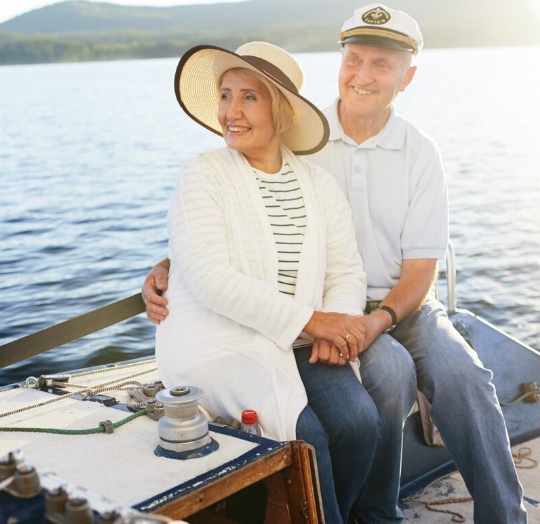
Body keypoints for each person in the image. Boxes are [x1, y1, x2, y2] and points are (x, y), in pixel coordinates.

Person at [145, 5, 528, 523]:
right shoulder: (305, 144)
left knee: (466, 379)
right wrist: (170, 264)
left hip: (400, 307)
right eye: (354, 60)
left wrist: (370, 322)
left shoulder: (420, 153)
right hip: (319, 313)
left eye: (381, 65)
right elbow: (231, 222)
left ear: (406, 77)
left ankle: (505, 517)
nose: (363, 76)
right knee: (388, 375)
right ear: (340, 63)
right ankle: (374, 511)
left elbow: (420, 270)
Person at [157, 41, 389, 523]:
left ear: (281, 111)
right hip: (222, 343)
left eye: (249, 98)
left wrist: (340, 330)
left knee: (360, 423)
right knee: (307, 434)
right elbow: (208, 279)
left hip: (303, 339)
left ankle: (333, 516)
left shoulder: (318, 185)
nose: (230, 112)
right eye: (225, 96)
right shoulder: (202, 174)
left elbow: (346, 271)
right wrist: (315, 321)